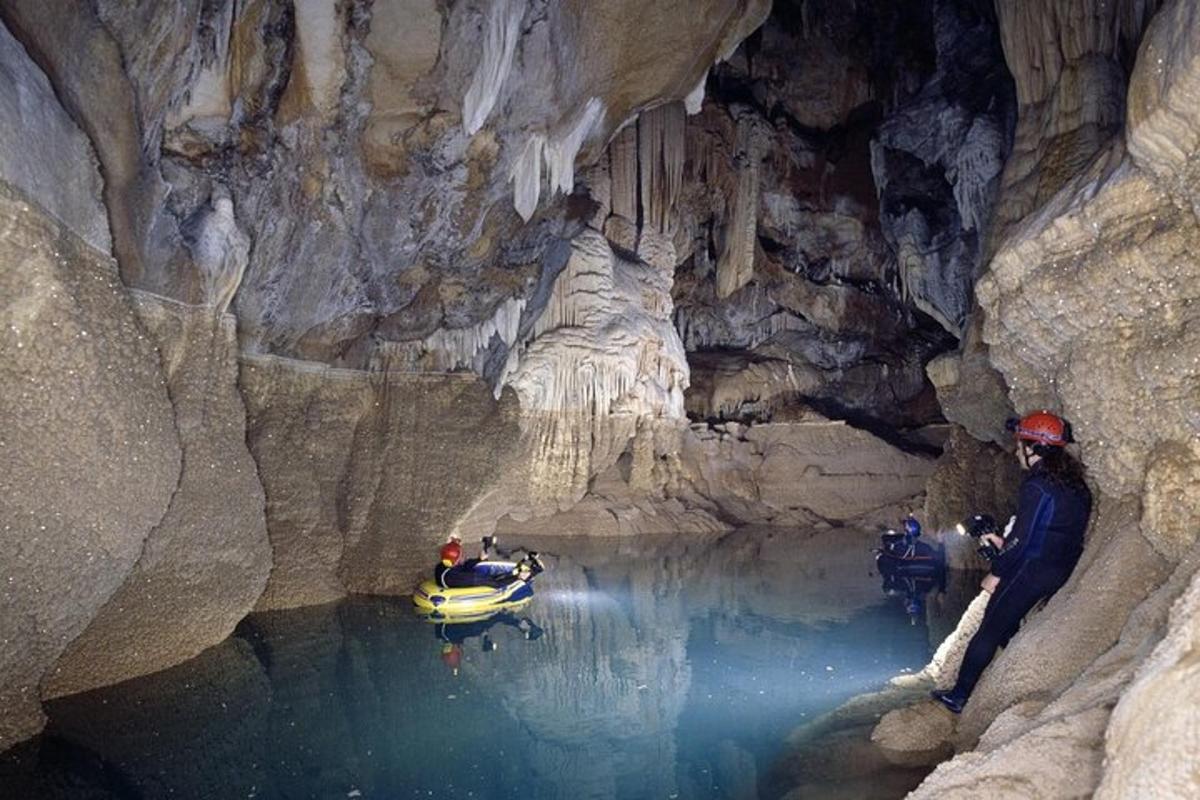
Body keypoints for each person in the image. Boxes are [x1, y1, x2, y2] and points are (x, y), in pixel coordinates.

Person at [932, 410, 1093, 714]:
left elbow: (1023, 538)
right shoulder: (1075, 485)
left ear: (1033, 448)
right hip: (1058, 568)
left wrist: (997, 572)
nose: (1016, 449)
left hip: (1030, 571)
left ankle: (959, 696)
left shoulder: (1037, 485)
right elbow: (1049, 534)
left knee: (988, 629)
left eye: (1020, 443)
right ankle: (1009, 667)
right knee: (1008, 623)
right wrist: (999, 543)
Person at [433, 537, 535, 589]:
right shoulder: (463, 578)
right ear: (457, 560)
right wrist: (517, 577)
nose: (464, 555)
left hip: (451, 579)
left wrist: (479, 559)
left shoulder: (442, 566)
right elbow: (496, 583)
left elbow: (463, 566)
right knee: (490, 577)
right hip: (461, 583)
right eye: (462, 555)